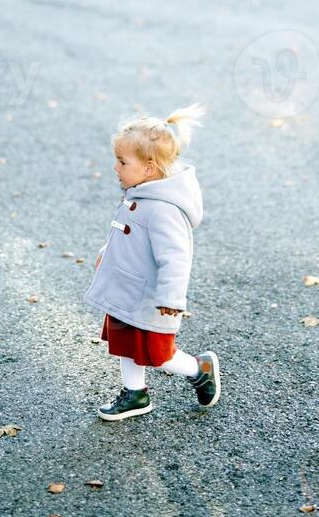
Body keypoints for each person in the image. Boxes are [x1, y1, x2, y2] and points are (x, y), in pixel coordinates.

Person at [82, 103, 221, 421]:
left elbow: (176, 258)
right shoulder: (140, 192)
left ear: (148, 168)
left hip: (150, 296)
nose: (115, 167)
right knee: (125, 342)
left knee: (158, 353)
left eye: (121, 162)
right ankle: (135, 394)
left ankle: (199, 369)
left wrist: (172, 298)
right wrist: (109, 251)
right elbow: (126, 234)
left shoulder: (164, 209)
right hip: (127, 287)